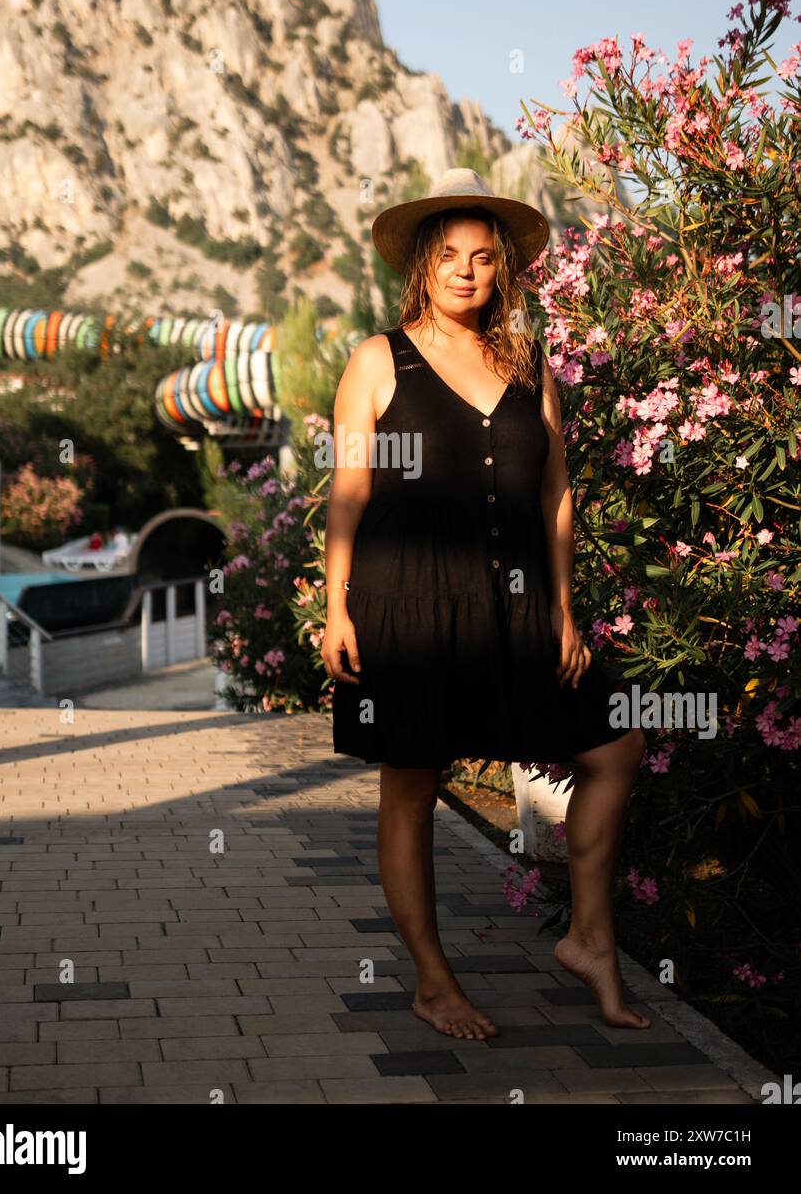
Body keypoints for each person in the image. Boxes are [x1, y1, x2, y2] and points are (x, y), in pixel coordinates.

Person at [321, 167, 648, 1042]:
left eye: (484, 258)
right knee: (412, 781)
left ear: (502, 269)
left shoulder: (528, 364)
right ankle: (434, 981)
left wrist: (567, 612)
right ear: (423, 266)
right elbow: (349, 490)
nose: (468, 271)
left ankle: (588, 937)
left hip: (518, 608)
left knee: (616, 744)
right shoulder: (375, 359)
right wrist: (337, 606)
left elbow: (556, 496)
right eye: (450, 256)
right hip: (408, 604)